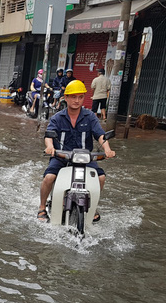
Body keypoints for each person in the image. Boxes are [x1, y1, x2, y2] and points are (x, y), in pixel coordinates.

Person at [38, 80, 116, 223]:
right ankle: (42, 207)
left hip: (85, 158)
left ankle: (92, 206)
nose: (77, 100)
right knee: (49, 177)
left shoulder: (90, 117)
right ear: (66, 98)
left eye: (80, 97)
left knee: (101, 178)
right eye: (73, 97)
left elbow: (100, 135)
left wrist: (107, 149)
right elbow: (49, 134)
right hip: (61, 157)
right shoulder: (57, 118)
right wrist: (50, 147)